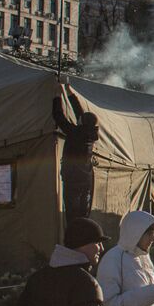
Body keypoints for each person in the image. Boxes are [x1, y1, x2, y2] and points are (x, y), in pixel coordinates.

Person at [52, 89, 99, 219]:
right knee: (83, 212)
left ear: (82, 122)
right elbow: (81, 114)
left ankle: (75, 234)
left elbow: (58, 116)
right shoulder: (91, 133)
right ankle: (84, 233)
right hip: (86, 178)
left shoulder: (74, 133)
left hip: (73, 178)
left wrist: (57, 95)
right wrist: (68, 91)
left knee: (72, 213)